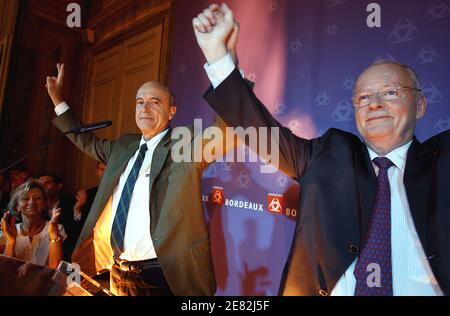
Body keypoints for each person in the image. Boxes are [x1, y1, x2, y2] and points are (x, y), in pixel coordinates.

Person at [194, 3, 450, 296]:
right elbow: (258, 129)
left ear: (420, 105)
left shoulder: (442, 159)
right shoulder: (328, 154)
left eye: (390, 92)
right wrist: (218, 55)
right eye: (363, 97)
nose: (375, 104)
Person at [44, 25, 243, 296]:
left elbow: (225, 129)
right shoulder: (124, 146)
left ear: (172, 112)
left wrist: (224, 65)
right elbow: (84, 139)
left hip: (159, 276)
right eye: (140, 102)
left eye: (154, 102)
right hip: (113, 271)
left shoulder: (184, 146)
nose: (145, 108)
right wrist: (57, 98)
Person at [0, 179, 65, 269]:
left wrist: (53, 235)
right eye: (25, 199)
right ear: (17, 206)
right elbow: (5, 271)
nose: (32, 202)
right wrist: (11, 240)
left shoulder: (56, 228)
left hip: (44, 282)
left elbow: (55, 270)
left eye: (37, 198)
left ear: (44, 204)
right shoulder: (8, 230)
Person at [37, 172, 76, 261]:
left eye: (47, 183)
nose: (43, 187)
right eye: (40, 184)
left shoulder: (70, 202)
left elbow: (74, 229)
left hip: (66, 253)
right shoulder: (36, 207)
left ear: (58, 186)